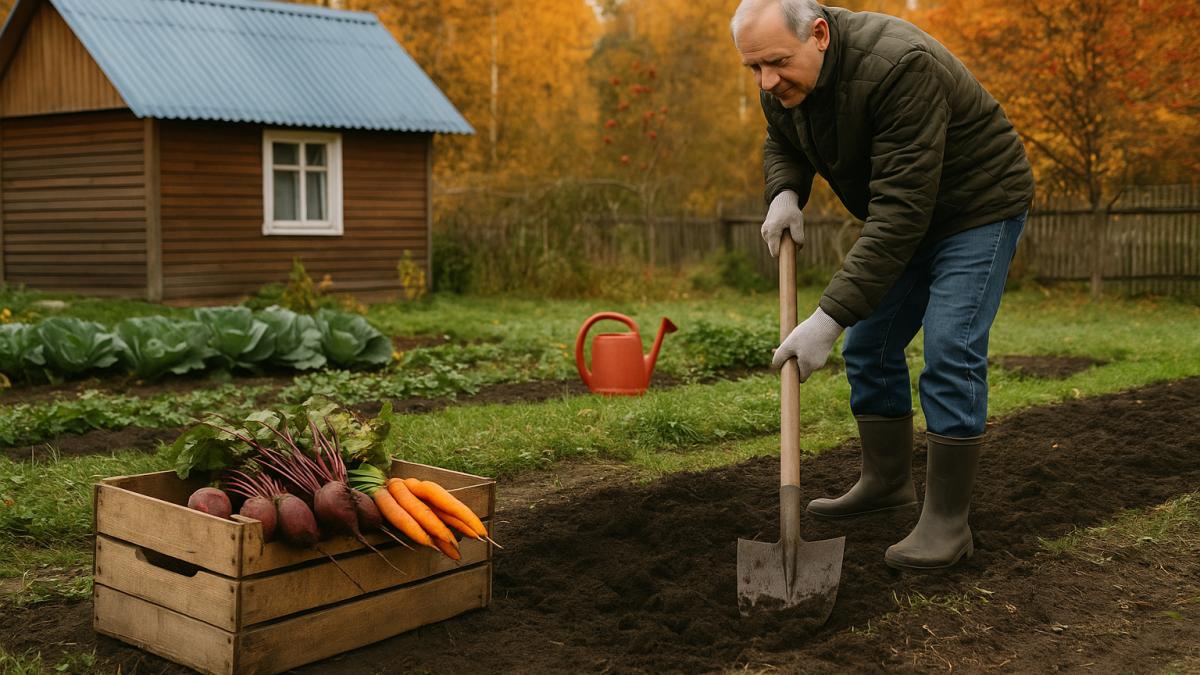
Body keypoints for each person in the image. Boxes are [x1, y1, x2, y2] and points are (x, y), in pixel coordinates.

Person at [731, 0, 1035, 570]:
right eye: (754, 69)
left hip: (977, 208)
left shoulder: (900, 66)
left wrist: (826, 318)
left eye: (775, 63)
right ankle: (886, 481)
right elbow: (784, 140)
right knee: (870, 345)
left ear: (819, 34)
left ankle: (948, 521)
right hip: (907, 212)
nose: (767, 81)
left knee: (949, 346)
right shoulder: (785, 77)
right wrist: (785, 191)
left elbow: (899, 213)